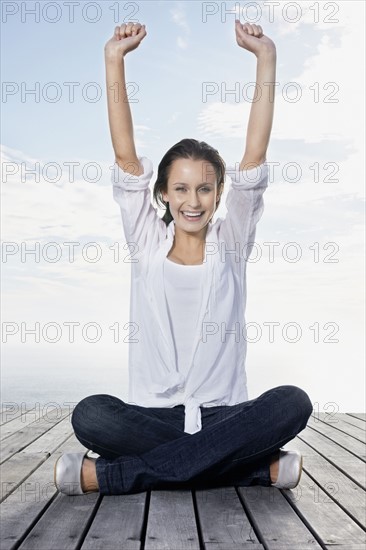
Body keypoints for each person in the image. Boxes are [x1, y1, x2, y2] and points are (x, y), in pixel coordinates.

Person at [54, 20, 313, 496]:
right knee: (91, 414)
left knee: (292, 402)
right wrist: (114, 59)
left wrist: (266, 58)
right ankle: (253, 469)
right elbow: (125, 156)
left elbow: (254, 157)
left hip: (224, 413)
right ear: (164, 194)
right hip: (150, 415)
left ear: (217, 194)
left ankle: (111, 476)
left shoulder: (231, 243)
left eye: (204, 188)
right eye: (180, 188)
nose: (192, 201)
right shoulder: (145, 244)